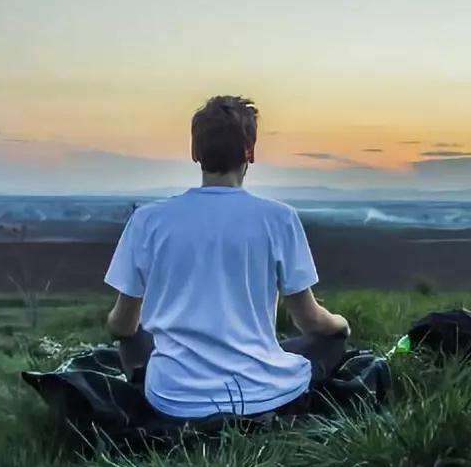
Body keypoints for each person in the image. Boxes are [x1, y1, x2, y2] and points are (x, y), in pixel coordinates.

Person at [103, 95, 350, 419]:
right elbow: (309, 321)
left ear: (195, 153)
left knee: (133, 337)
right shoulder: (279, 218)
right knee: (330, 341)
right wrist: (341, 324)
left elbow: (121, 325)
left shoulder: (147, 220)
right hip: (259, 394)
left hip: (172, 398)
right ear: (250, 151)